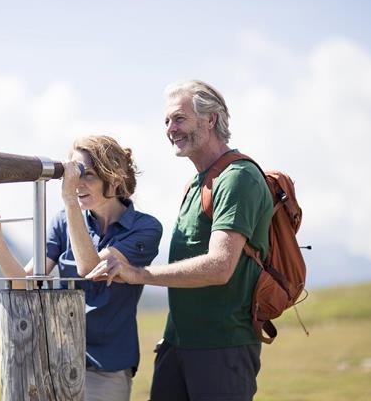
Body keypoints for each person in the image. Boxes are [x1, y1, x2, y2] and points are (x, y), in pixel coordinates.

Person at [86, 80, 273, 401]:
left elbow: (219, 267)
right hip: (179, 344)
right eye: (167, 122)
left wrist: (138, 274)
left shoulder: (237, 178)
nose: (170, 129)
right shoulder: (195, 184)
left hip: (222, 346)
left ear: (211, 119)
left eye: (179, 118)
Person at [0, 135, 162, 401]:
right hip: (55, 356)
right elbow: (25, 284)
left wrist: (70, 201)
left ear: (116, 178)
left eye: (89, 176)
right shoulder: (63, 221)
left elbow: (91, 268)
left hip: (106, 366)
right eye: (73, 175)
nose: (77, 185)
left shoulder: (145, 228)